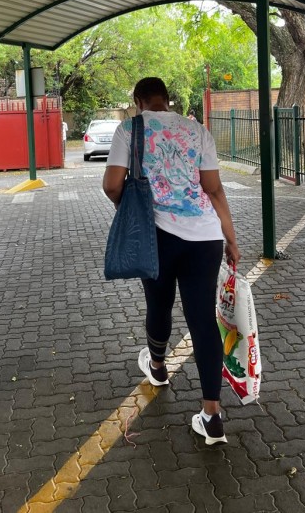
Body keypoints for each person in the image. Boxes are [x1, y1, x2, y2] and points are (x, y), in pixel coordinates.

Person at [103, 77, 241, 445]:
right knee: (203, 320)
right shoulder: (198, 131)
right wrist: (231, 238)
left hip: (157, 235)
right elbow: (213, 188)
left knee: (159, 303)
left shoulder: (129, 129)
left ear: (139, 100)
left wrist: (127, 209)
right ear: (167, 99)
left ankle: (158, 368)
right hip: (206, 238)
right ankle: (212, 416)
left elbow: (112, 185)